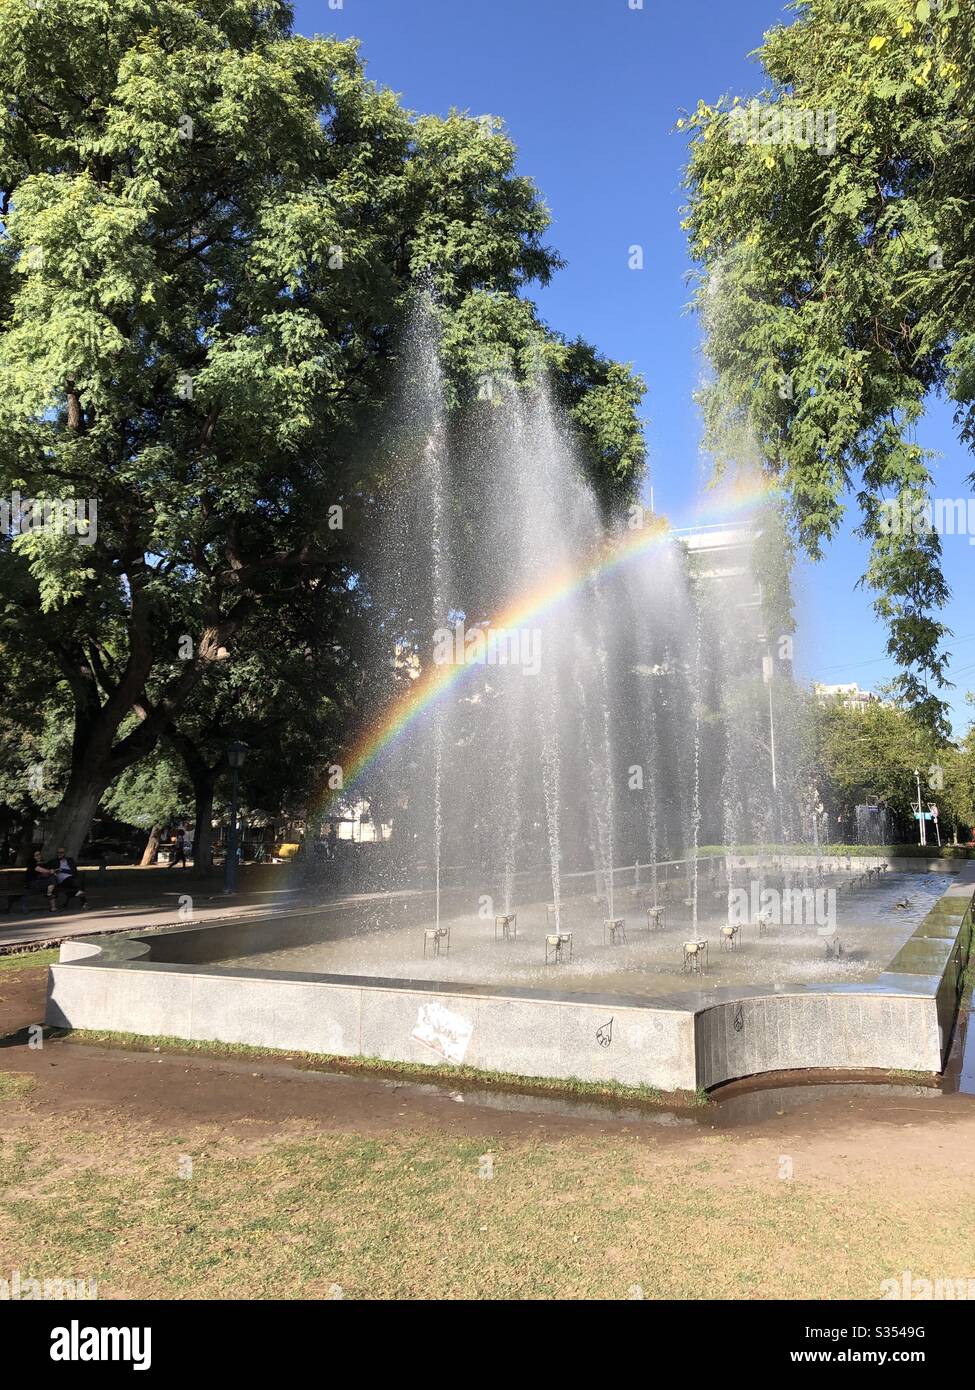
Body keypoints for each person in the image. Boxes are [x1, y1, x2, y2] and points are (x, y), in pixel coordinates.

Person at [46, 847, 87, 912]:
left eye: (61, 852)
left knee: (77, 881)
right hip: (62, 880)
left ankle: (78, 894)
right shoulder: (54, 861)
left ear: (64, 853)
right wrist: (52, 870)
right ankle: (84, 902)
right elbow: (45, 867)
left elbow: (74, 871)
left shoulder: (70, 860)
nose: (59, 854)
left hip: (71, 877)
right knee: (77, 883)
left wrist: (62, 870)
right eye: (58, 852)